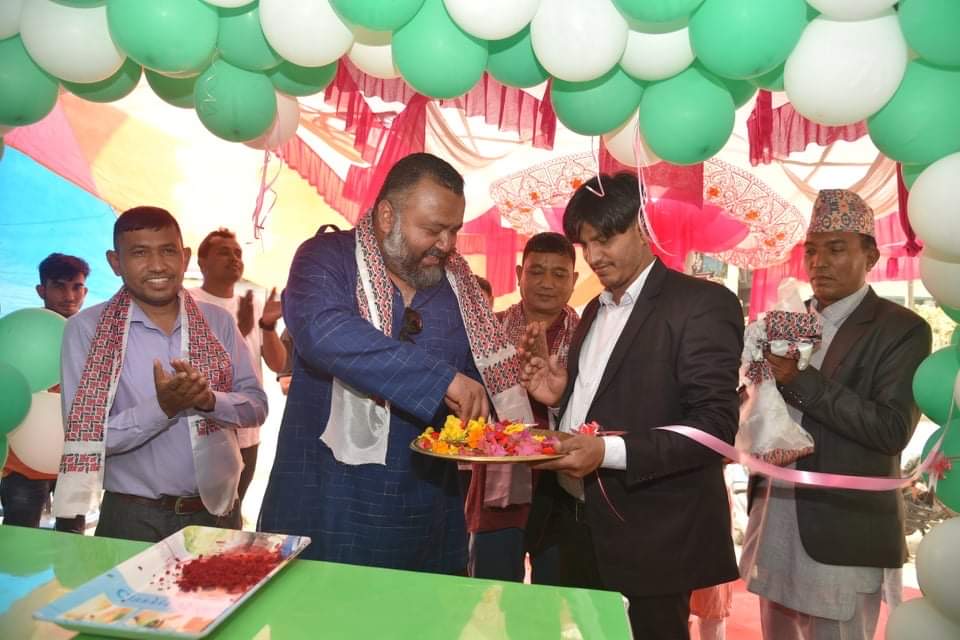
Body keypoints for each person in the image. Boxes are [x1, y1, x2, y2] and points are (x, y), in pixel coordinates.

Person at [258, 152, 533, 573]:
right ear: (387, 216)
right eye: (433, 230)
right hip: (325, 502)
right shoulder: (325, 258)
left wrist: (521, 384)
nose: (447, 245)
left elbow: (476, 385)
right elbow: (323, 331)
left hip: (425, 513)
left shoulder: (458, 287)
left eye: (454, 230)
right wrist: (441, 380)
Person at [521, 173, 743, 639]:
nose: (594, 256)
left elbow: (714, 427)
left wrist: (607, 452)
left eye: (605, 239)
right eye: (585, 244)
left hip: (650, 534)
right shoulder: (594, 309)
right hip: (575, 523)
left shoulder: (700, 304)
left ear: (643, 226)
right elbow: (610, 401)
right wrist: (560, 398)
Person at [739, 189, 932, 640]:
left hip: (842, 531)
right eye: (812, 250)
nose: (819, 262)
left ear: (871, 256)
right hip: (776, 516)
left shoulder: (901, 329)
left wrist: (798, 379)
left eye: (836, 249)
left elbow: (891, 429)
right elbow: (758, 405)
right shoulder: (788, 318)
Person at [53, 207, 268, 542]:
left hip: (217, 514)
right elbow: (87, 438)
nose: (157, 265)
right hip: (133, 517)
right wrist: (162, 408)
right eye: (140, 252)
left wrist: (210, 401)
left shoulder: (218, 322)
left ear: (184, 257)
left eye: (168, 251)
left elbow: (256, 406)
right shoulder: (87, 329)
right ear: (115, 262)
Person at [467, 232, 580, 583]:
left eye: (559, 274)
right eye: (536, 271)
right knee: (492, 598)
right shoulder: (489, 333)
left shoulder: (587, 338)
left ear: (574, 279)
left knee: (557, 600)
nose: (547, 283)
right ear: (519, 274)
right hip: (498, 488)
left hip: (564, 487)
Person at [189, 228, 286, 507]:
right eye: (224, 252)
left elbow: (278, 363)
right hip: (206, 430)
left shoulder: (253, 304)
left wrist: (267, 325)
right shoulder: (189, 302)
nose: (234, 259)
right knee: (202, 511)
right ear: (202, 263)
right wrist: (239, 332)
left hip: (247, 431)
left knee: (232, 510)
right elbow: (197, 366)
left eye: (238, 253)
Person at [1, 253, 89, 533]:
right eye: (59, 286)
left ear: (85, 291)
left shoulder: (94, 334)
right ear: (42, 290)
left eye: (76, 287)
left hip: (76, 464)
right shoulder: (19, 331)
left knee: (72, 542)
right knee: (19, 539)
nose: (69, 296)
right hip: (23, 467)